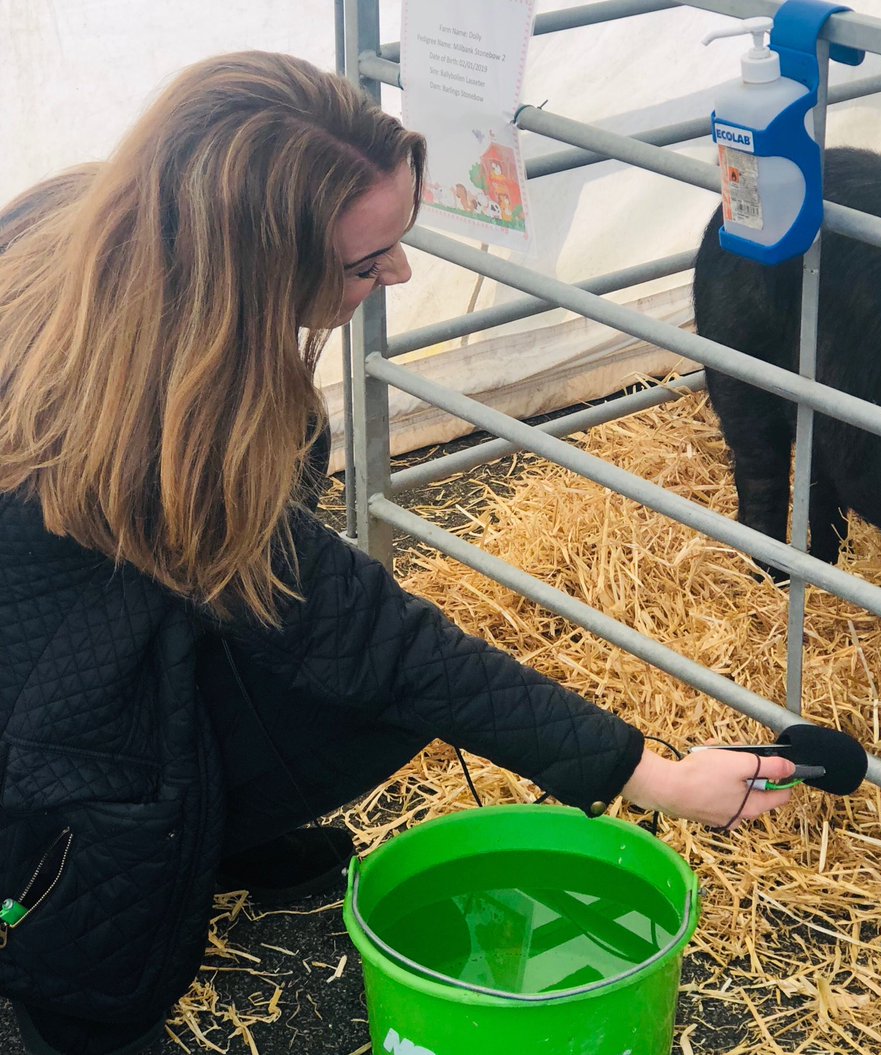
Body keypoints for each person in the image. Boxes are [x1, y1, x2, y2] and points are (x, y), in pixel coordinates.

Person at [0, 51, 798, 1055]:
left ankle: (221, 832)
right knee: (113, 872)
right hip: (47, 712)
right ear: (255, 269)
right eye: (366, 263)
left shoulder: (99, 231)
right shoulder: (161, 428)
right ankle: (73, 1001)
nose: (399, 277)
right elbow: (385, 643)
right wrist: (664, 779)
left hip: (96, 614)